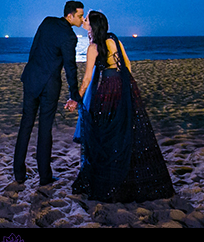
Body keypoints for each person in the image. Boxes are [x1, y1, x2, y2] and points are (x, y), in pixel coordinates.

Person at [71, 10, 174, 202]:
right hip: (123, 87)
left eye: (87, 21)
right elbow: (127, 65)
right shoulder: (113, 40)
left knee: (103, 132)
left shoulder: (93, 48)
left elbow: (86, 79)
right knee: (122, 130)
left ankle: (106, 179)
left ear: (92, 27)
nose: (84, 22)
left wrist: (76, 98)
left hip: (107, 90)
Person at [13, 0, 84, 186]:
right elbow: (70, 67)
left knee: (26, 125)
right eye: (79, 15)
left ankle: (19, 174)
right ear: (70, 15)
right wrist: (74, 94)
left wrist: (32, 71)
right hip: (49, 85)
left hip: (31, 77)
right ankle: (44, 176)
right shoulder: (69, 36)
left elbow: (34, 48)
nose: (82, 19)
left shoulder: (47, 21)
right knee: (45, 130)